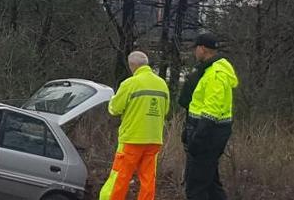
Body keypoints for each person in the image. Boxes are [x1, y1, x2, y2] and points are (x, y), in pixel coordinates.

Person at [99, 51, 170, 200]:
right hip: (154, 140)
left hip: (132, 139)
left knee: (120, 178)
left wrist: (112, 100)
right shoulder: (162, 84)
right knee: (148, 180)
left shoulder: (130, 83)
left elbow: (114, 108)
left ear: (132, 66)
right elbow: (166, 110)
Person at [178, 33, 239, 200]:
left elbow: (211, 111)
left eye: (195, 49)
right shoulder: (208, 70)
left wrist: (197, 139)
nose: (194, 53)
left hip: (207, 136)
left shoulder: (216, 74)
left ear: (202, 48)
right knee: (211, 184)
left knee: (195, 188)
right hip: (206, 134)